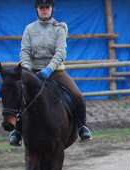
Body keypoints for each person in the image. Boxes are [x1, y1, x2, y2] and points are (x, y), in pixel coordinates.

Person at [11, 0, 92, 146]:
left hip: (55, 71)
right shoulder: (29, 29)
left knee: (78, 96)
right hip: (33, 71)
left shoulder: (59, 29)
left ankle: (82, 127)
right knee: (18, 96)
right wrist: (27, 68)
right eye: (41, 8)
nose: (44, 10)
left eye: (47, 7)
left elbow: (60, 52)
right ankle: (17, 132)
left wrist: (49, 68)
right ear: (36, 9)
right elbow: (25, 51)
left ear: (52, 9)